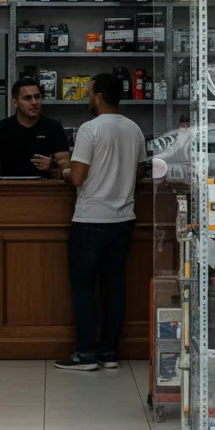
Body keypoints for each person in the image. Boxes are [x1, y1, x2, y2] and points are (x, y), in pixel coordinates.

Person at [55, 72, 147, 372]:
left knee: (83, 287)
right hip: (124, 219)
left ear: (98, 96)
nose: (86, 97)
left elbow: (78, 177)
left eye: (89, 92)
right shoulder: (134, 129)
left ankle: (85, 353)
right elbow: (140, 172)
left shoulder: (89, 129)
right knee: (114, 286)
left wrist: (63, 171)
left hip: (91, 218)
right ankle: (108, 352)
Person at [0, 77, 71, 179]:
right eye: (27, 98)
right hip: (10, 189)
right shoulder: (2, 128)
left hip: (43, 189)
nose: (34, 102)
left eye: (37, 97)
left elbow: (65, 163)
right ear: (15, 102)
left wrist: (52, 164)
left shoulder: (53, 127)